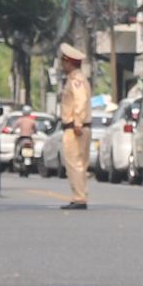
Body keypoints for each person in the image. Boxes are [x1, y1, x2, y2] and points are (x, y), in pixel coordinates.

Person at [56, 41, 90, 210]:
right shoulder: (79, 79)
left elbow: (80, 101)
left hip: (74, 128)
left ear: (68, 62)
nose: (63, 65)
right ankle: (80, 195)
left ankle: (79, 198)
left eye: (63, 62)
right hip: (80, 126)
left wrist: (78, 122)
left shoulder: (76, 80)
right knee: (80, 164)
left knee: (74, 163)